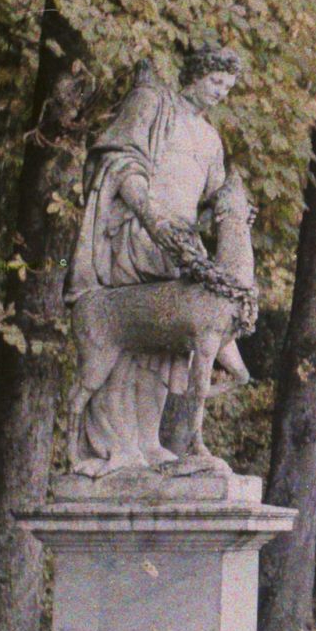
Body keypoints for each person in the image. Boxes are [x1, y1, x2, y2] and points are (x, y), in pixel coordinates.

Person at [64, 42, 247, 476]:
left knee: (166, 345)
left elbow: (214, 198)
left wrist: (234, 210)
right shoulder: (152, 103)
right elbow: (119, 162)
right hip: (136, 234)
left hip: (179, 250)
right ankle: (114, 445)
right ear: (195, 74)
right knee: (124, 331)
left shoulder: (211, 138)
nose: (220, 92)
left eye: (227, 86)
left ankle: (147, 439)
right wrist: (151, 216)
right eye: (215, 81)